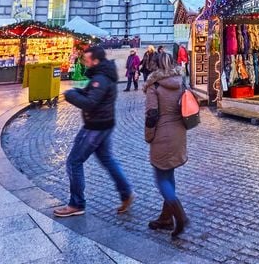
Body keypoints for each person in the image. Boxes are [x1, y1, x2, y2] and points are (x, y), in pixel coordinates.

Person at [53, 45, 133, 218]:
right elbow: (93, 95)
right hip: (103, 124)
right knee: (107, 159)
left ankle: (77, 204)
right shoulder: (102, 75)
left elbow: (91, 102)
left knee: (74, 162)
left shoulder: (101, 78)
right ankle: (126, 192)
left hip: (95, 126)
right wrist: (79, 91)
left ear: (96, 61)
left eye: (87, 60)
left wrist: (70, 94)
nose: (85, 62)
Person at [143, 51, 189, 238]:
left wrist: (148, 136)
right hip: (179, 132)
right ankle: (166, 218)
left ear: (154, 65)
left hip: (162, 134)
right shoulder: (180, 81)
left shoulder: (154, 85)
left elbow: (152, 115)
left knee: (161, 178)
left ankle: (180, 215)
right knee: (168, 174)